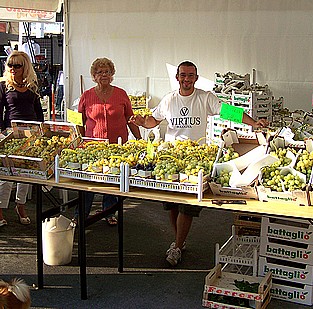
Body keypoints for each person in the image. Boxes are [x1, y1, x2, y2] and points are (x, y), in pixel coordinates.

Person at [129, 60, 268, 266]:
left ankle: (176, 245)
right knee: (172, 204)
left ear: (196, 77)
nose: (187, 79)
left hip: (196, 158)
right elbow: (154, 121)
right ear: (177, 77)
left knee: (187, 206)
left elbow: (229, 111)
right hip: (172, 157)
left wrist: (253, 122)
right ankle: (179, 241)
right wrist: (142, 122)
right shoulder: (169, 100)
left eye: (191, 75)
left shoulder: (205, 98)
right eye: (183, 75)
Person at [75, 57, 141, 225]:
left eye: (107, 72)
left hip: (117, 146)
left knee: (113, 181)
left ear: (112, 74)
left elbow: (130, 118)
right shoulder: (86, 96)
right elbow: (79, 121)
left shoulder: (121, 94)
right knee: (88, 180)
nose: (103, 75)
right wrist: (80, 141)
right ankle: (81, 214)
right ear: (94, 75)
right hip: (93, 146)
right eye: (99, 72)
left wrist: (140, 140)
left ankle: (109, 212)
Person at [0, 51, 44, 227]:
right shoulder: (4, 86)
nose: (13, 68)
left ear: (25, 67)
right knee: (5, 175)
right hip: (11, 133)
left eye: (17, 65)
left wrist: (42, 129)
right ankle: (1, 208)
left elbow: (38, 109)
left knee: (26, 173)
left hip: (32, 133)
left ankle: (21, 205)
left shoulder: (32, 85)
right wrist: (2, 132)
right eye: (10, 64)